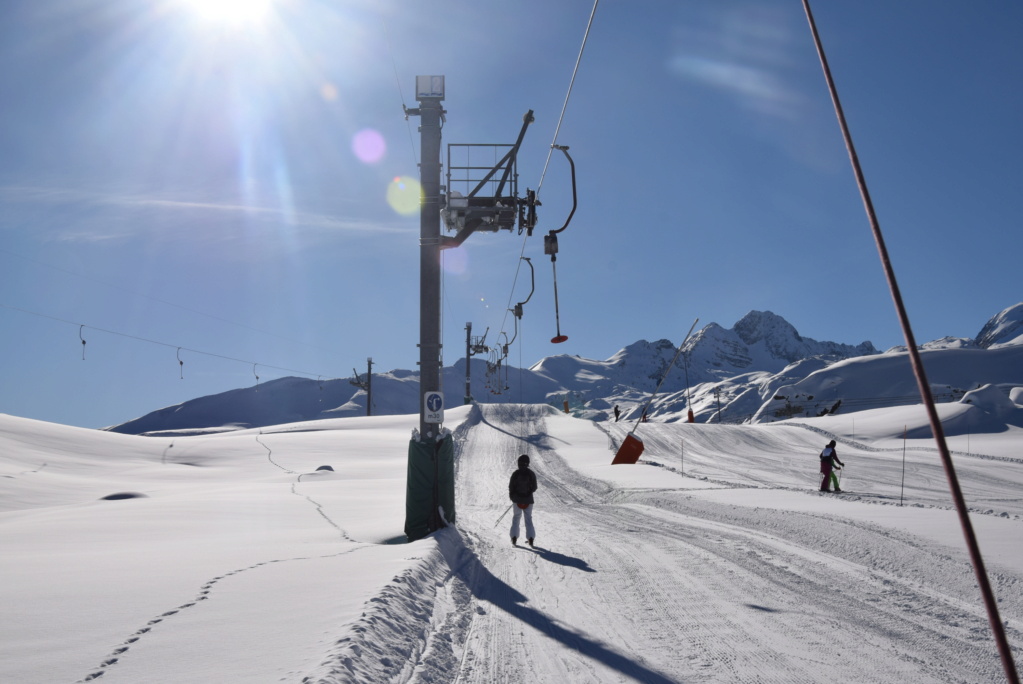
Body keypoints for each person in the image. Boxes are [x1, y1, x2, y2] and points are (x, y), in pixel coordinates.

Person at [508, 454, 538, 546]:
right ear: (527, 463)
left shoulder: (515, 474)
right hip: (528, 501)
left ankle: (514, 538)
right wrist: (528, 494)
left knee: (516, 518)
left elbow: (511, 487)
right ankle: (531, 539)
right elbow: (534, 487)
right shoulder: (531, 473)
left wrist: (513, 497)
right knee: (528, 519)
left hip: (517, 500)